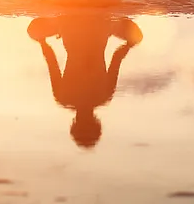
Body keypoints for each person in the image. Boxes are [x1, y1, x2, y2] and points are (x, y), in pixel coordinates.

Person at [27, 14, 143, 148]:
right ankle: (106, 25)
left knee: (137, 37)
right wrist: (42, 41)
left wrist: (130, 44)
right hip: (72, 28)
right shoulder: (63, 98)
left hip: (97, 28)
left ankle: (111, 25)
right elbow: (51, 60)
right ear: (74, 124)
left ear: (97, 123)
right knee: (32, 31)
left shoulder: (104, 97)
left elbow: (117, 58)